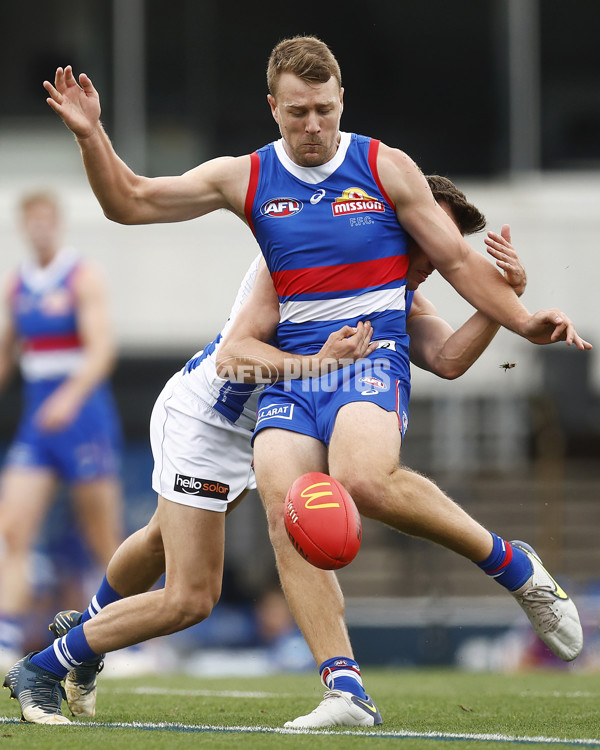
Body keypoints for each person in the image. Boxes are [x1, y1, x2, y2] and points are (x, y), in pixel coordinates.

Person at [12, 35, 589, 726]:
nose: (312, 126)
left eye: (323, 110)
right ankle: (69, 651)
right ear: (274, 109)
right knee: (187, 589)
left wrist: (514, 313)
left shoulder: (389, 249)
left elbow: (451, 343)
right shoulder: (265, 220)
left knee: (313, 503)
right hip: (215, 411)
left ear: (342, 101)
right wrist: (92, 135)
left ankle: (344, 690)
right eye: (297, 113)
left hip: (289, 400)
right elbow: (206, 314)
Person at [0, 191, 123, 671]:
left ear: (59, 224)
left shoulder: (81, 275)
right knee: (12, 529)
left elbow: (101, 351)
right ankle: (8, 636)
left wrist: (68, 398)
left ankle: (135, 640)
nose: (40, 229)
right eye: (32, 221)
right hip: (38, 420)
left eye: (48, 220)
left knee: (103, 537)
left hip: (82, 415)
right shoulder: (17, 285)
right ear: (23, 226)